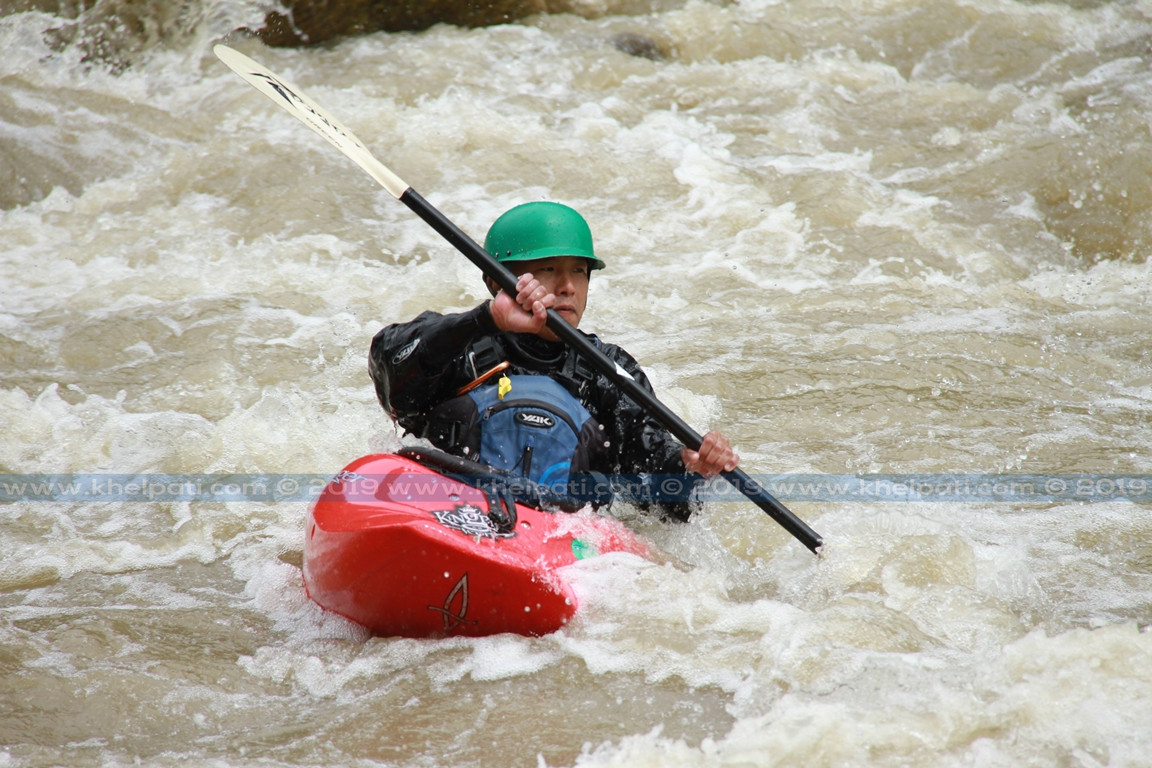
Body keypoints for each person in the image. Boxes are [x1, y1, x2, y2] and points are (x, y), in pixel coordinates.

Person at [368, 201, 739, 520]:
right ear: (497, 282)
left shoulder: (608, 371)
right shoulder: (459, 344)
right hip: (452, 515)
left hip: (558, 538)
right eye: (548, 269)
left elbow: (660, 493)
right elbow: (389, 366)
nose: (568, 286)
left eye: (578, 270)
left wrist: (690, 466)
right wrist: (484, 319)